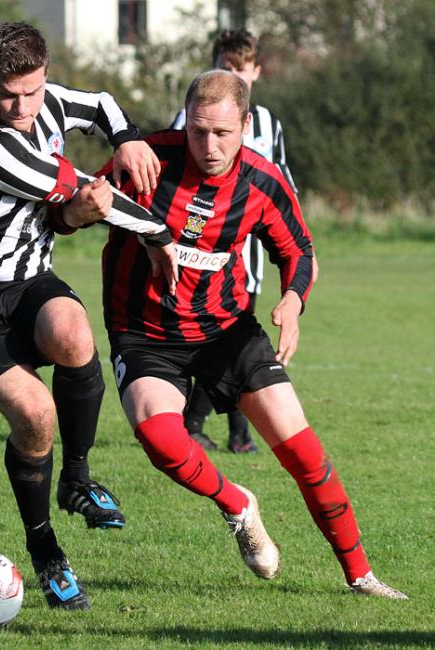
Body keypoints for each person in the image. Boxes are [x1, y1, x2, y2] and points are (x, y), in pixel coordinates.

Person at [98, 70, 407, 599]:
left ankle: (361, 576)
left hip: (227, 331)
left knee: (303, 451)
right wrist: (86, 204)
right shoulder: (145, 159)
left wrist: (293, 299)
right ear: (185, 122)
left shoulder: (262, 182)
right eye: (198, 132)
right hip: (145, 331)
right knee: (157, 434)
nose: (209, 146)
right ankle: (237, 504)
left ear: (245, 124)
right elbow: (71, 208)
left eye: (222, 133)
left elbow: (299, 253)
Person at [0, 21, 176, 612]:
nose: (21, 105)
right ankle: (46, 552)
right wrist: (161, 234)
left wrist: (130, 137)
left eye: (32, 91)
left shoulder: (49, 100)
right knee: (35, 412)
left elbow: (100, 104)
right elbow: (90, 194)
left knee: (74, 332)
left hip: (29, 283)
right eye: (7, 92)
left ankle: (78, 480)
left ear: (43, 76)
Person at [172, 29, 303, 454]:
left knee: (238, 335)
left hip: (250, 253)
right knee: (224, 338)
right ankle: (217, 427)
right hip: (200, 251)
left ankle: (225, 428)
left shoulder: (267, 123)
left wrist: (296, 233)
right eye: (227, 70)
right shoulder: (195, 119)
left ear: (256, 73)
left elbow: (281, 180)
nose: (236, 78)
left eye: (242, 71)